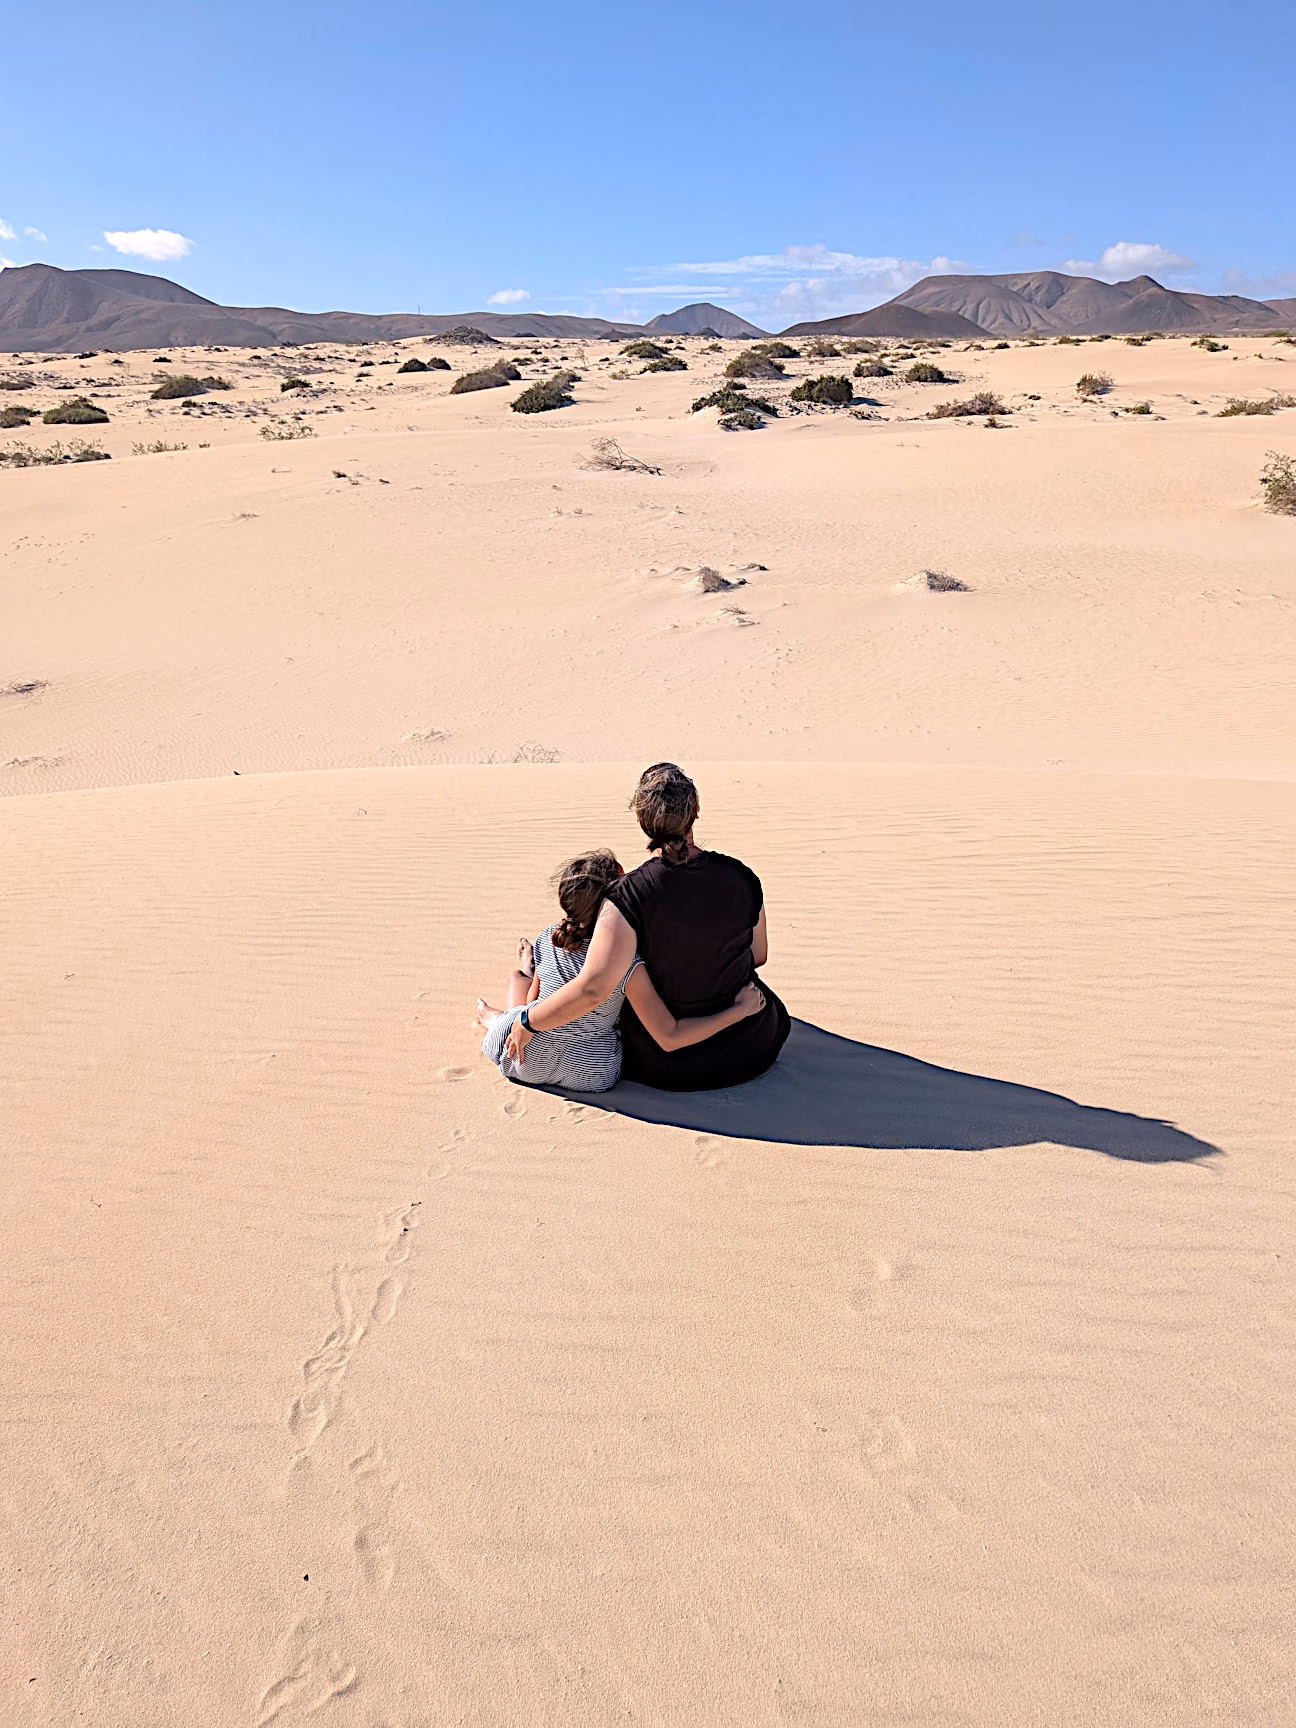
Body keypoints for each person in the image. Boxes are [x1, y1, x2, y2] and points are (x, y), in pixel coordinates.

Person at [504, 765, 790, 1091]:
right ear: (695, 811)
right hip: (753, 1048)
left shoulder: (626, 896)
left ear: (642, 820)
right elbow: (758, 955)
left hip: (665, 1067)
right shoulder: (743, 877)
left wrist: (528, 1021)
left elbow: (593, 988)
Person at [478, 847, 765, 1093]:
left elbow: (532, 1005)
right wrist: (739, 1011)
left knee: (519, 980)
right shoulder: (626, 961)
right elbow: (670, 1034)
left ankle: (496, 1014)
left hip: (523, 1061)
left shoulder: (548, 937)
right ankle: (501, 1009)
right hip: (593, 1073)